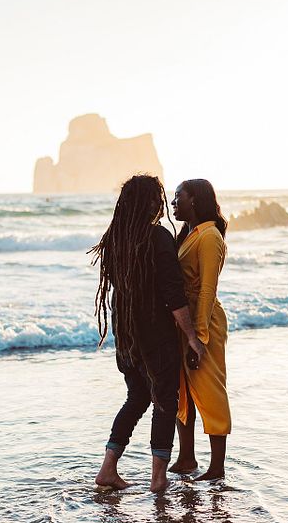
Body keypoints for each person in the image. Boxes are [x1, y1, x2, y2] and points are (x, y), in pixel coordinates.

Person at [90, 175, 207, 492]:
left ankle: (108, 469)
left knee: (137, 397)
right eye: (158, 197)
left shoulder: (116, 239)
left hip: (126, 332)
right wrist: (193, 337)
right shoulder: (157, 237)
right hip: (154, 332)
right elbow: (173, 295)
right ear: (150, 203)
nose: (161, 203)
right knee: (166, 401)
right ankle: (158, 478)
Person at [169, 179, 232, 481]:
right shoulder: (190, 234)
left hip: (203, 322)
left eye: (178, 196)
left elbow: (208, 288)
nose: (173, 202)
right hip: (185, 323)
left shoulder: (209, 236)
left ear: (194, 200)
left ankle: (217, 467)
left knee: (210, 391)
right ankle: (186, 458)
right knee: (183, 391)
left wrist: (201, 336)